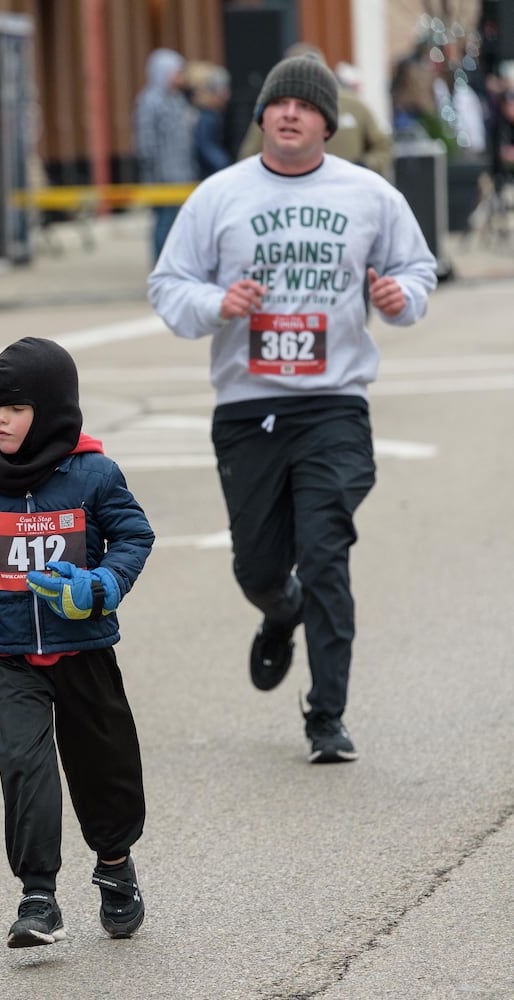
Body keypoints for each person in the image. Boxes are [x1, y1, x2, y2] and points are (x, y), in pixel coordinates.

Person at [148, 55, 437, 763]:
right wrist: (220, 304)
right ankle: (281, 611)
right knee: (257, 567)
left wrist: (402, 299)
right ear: (261, 117)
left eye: (305, 107)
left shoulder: (369, 195)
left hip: (334, 403)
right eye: (279, 104)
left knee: (326, 555)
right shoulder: (219, 195)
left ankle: (326, 715)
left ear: (328, 124)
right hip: (247, 406)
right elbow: (168, 285)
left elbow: (416, 269)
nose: (289, 114)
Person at [0, 338, 153, 950]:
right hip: (14, 655)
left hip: (85, 652)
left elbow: (134, 537)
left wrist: (101, 585)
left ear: (48, 409)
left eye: (15, 408)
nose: (0, 418)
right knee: (24, 766)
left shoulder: (94, 474)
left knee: (105, 768)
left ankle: (116, 866)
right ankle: (38, 897)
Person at [238, 44, 394, 179]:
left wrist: (365, 166)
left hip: (347, 191)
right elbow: (248, 157)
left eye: (306, 107)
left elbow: (383, 146)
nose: (291, 114)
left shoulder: (354, 105)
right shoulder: (276, 112)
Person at [133, 48, 197, 262]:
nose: (180, 77)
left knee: (180, 223)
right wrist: (154, 173)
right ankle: (160, 262)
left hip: (183, 174)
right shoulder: (149, 101)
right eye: (176, 72)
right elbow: (146, 142)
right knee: (164, 221)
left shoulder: (178, 100)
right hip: (162, 177)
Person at [190, 62, 233, 178]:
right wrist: (226, 164)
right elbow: (206, 147)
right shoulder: (207, 117)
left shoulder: (208, 114)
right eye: (224, 89)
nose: (228, 94)